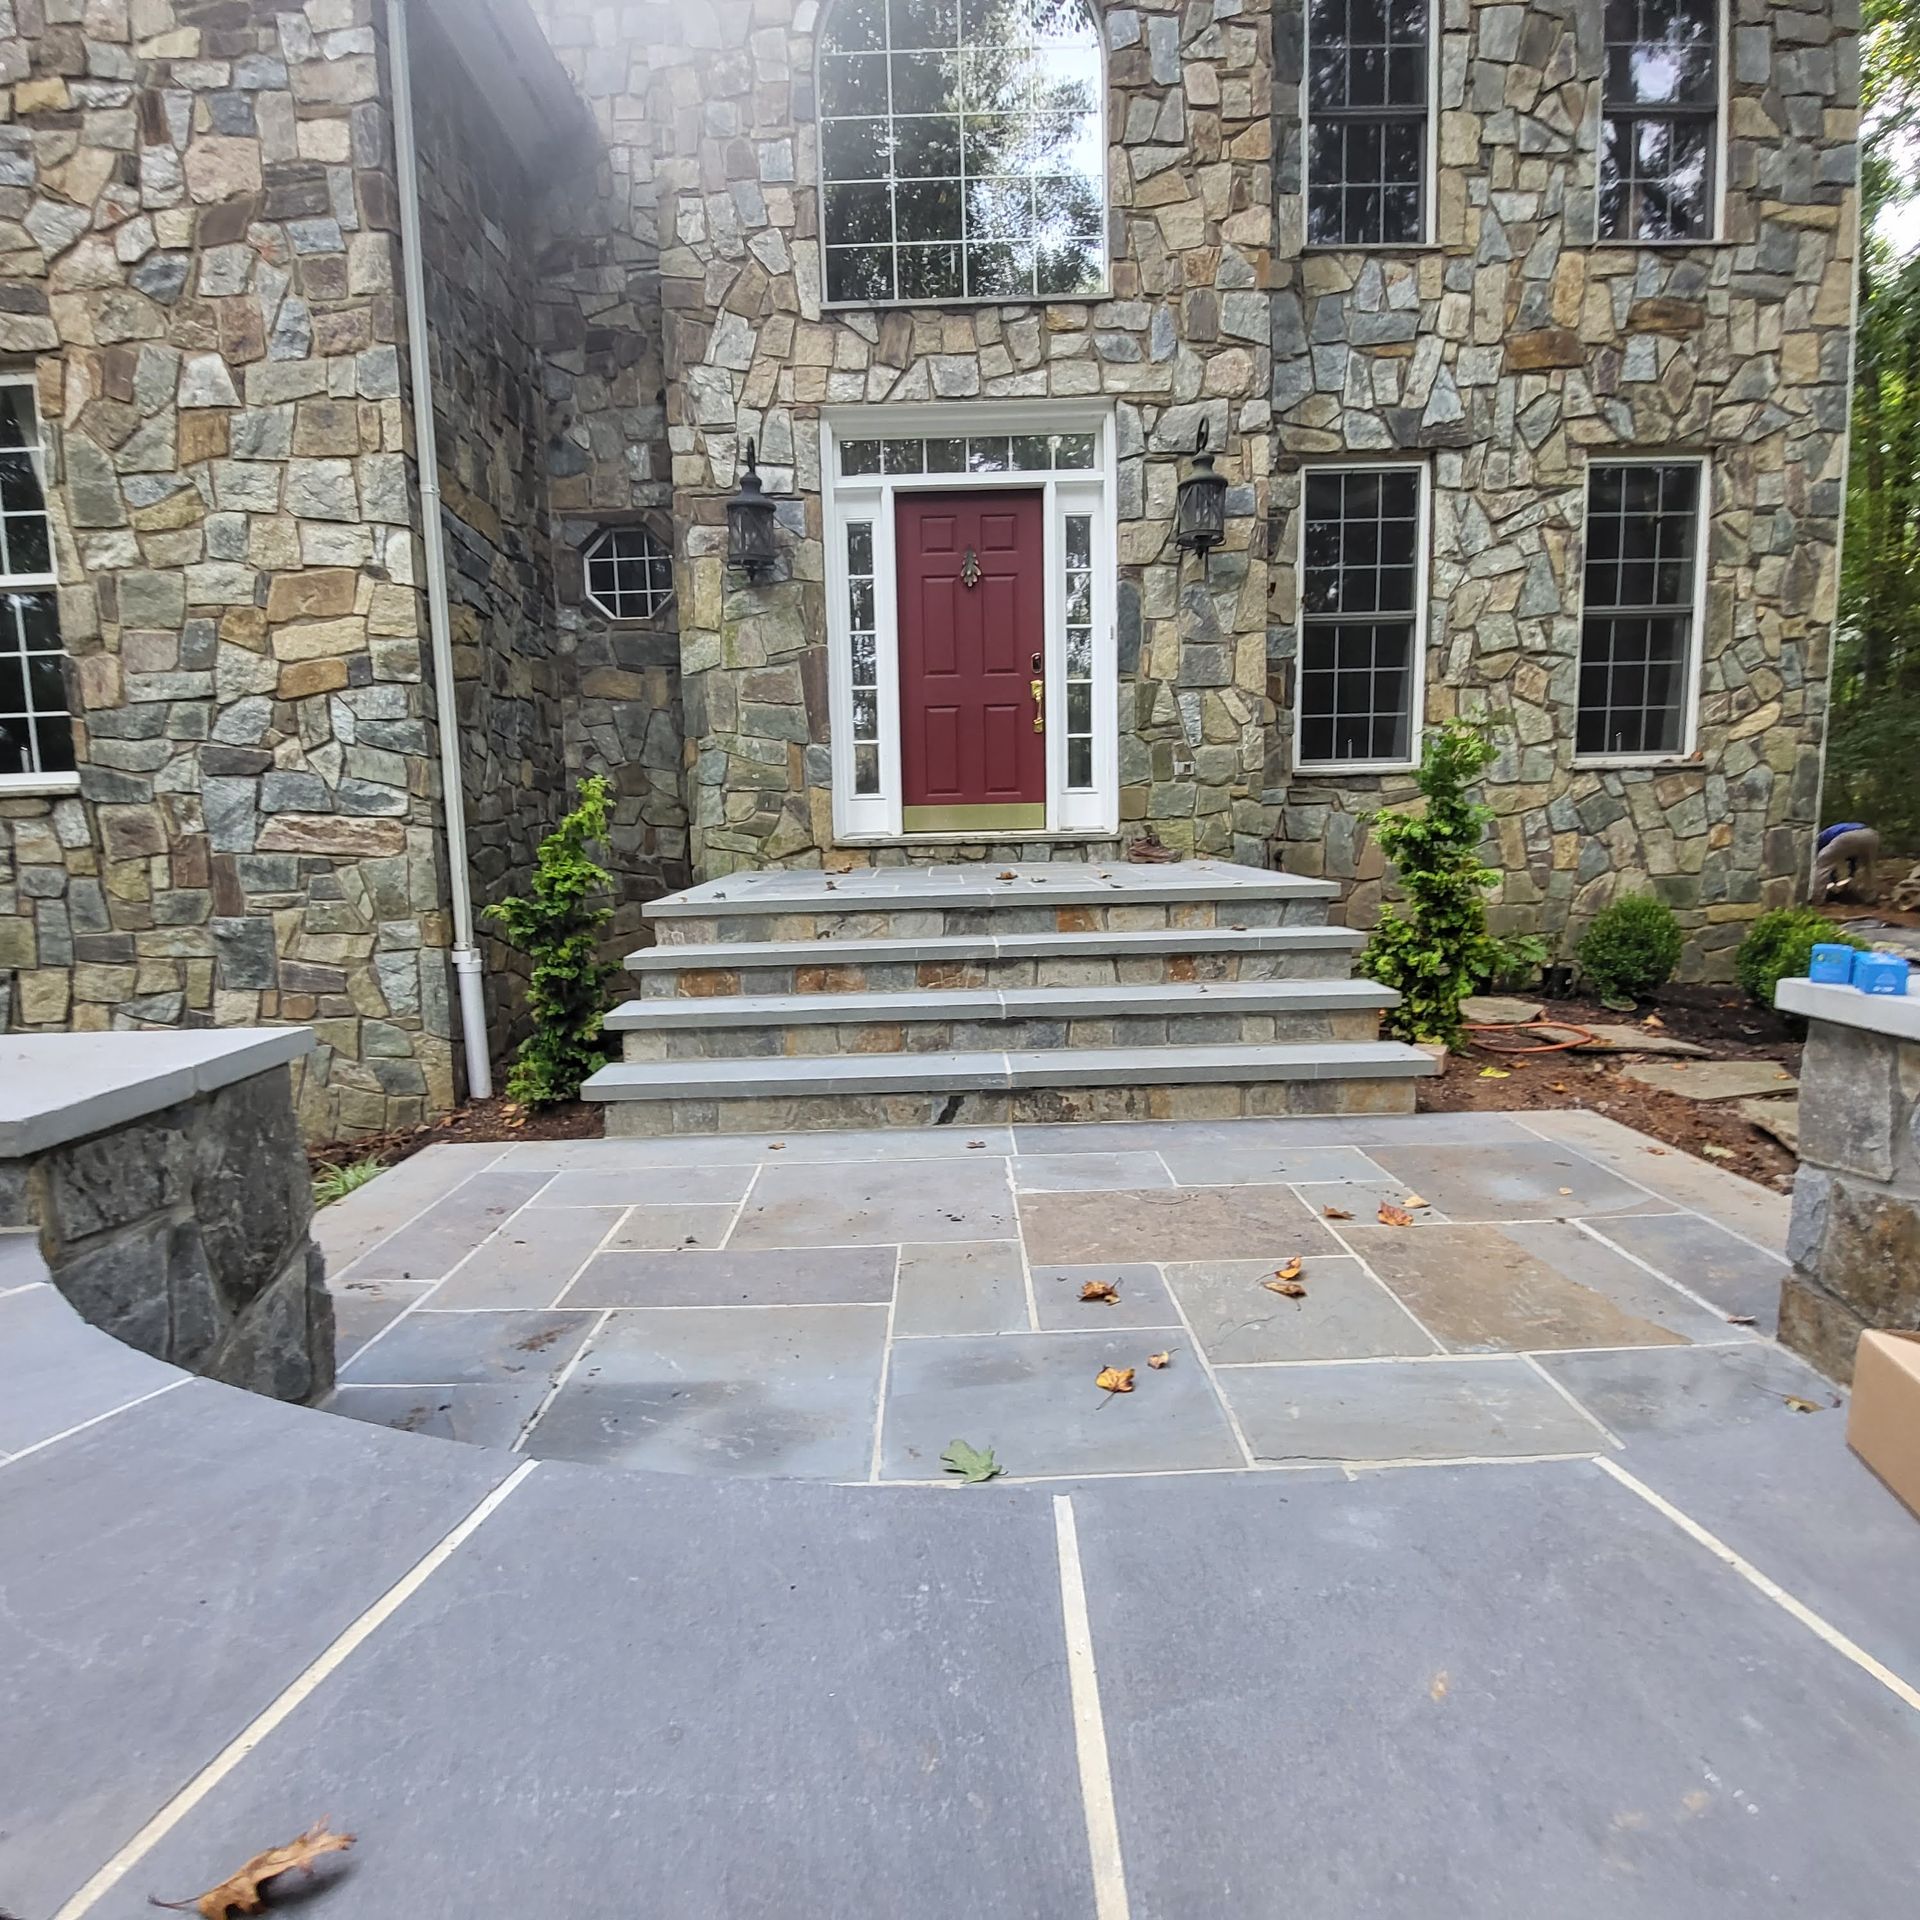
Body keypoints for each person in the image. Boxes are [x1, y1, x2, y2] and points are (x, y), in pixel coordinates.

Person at [1813, 821, 1880, 902]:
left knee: (1822, 862)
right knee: (1867, 866)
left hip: (1849, 836)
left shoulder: (1819, 839)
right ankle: (1870, 896)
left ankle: (1817, 897)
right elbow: (1853, 860)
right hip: (1872, 835)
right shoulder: (1836, 834)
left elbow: (1827, 862)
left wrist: (1832, 880)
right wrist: (1852, 874)